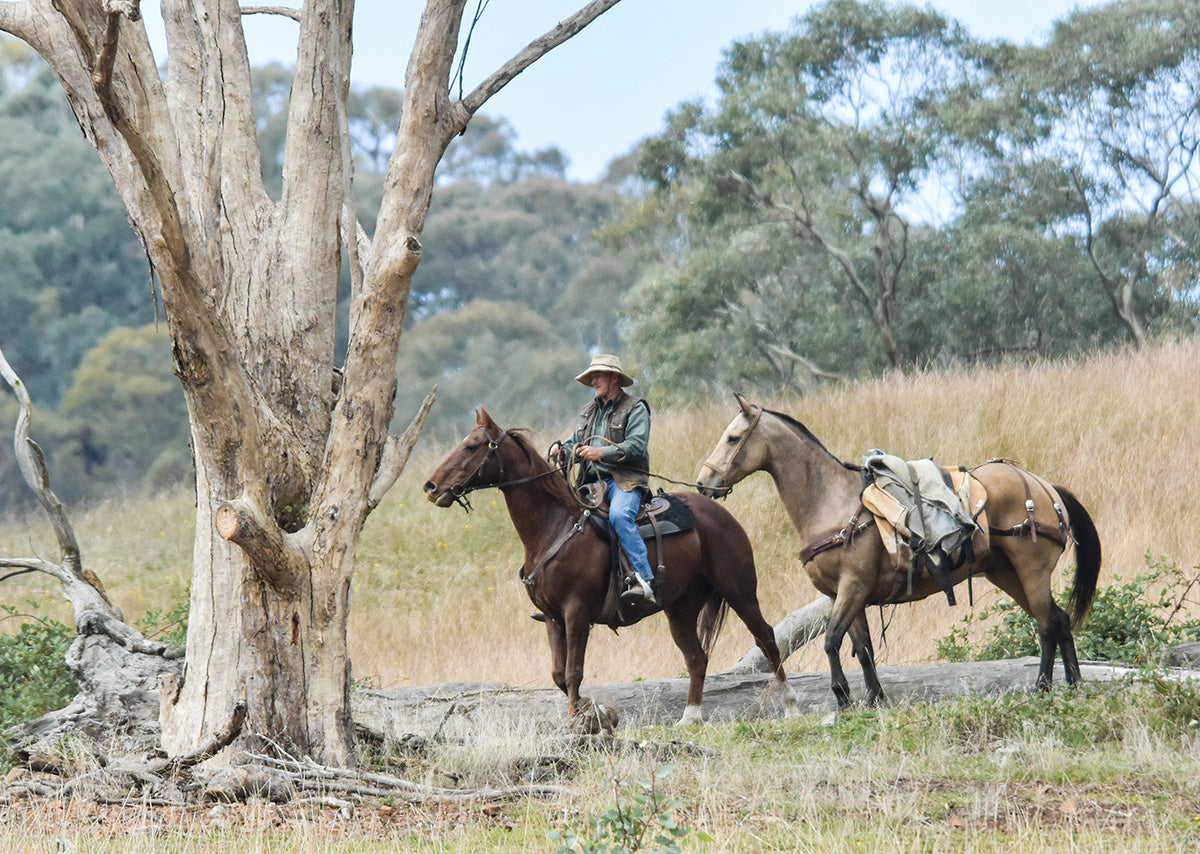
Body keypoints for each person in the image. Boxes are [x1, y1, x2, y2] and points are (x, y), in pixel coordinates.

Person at [551, 354, 655, 604]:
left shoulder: (635, 407)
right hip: (590, 483)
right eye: (591, 377)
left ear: (614, 378)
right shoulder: (589, 412)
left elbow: (637, 446)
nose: (593, 381)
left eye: (598, 375)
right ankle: (560, 593)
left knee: (620, 516)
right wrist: (561, 450)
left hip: (624, 481)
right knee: (561, 520)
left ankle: (645, 579)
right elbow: (574, 442)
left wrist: (601, 452)